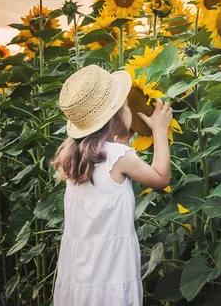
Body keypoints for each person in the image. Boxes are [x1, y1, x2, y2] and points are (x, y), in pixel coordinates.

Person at [51, 64, 172, 306]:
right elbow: (160, 178)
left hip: (80, 267)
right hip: (111, 266)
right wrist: (159, 130)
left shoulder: (74, 156)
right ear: (116, 117)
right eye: (127, 105)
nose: (130, 108)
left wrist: (122, 139)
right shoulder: (119, 156)